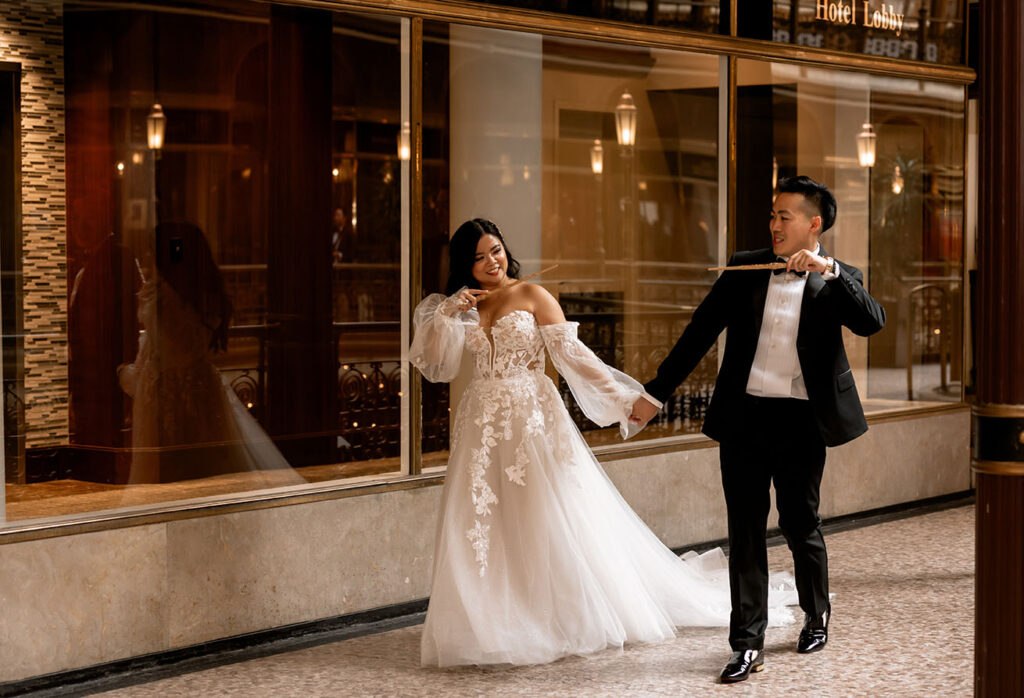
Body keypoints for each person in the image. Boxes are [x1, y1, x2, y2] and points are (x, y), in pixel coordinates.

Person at [409, 218, 798, 668]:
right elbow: (434, 362)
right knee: (482, 519)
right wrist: (448, 313)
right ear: (465, 265)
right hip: (480, 421)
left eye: (495, 250)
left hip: (531, 417)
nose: (490, 262)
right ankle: (489, 618)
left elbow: (574, 356)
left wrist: (623, 399)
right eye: (478, 257)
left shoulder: (532, 295)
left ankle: (551, 613)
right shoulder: (467, 306)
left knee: (546, 513)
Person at [630, 176, 886, 683]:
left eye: (784, 216)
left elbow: (871, 322)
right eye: (771, 215)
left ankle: (817, 614)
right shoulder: (745, 267)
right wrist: (655, 393)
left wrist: (830, 271)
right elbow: (699, 331)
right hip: (745, 417)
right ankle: (747, 644)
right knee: (745, 532)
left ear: (814, 224)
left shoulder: (838, 279)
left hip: (801, 421)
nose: (773, 224)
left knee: (799, 522)